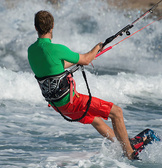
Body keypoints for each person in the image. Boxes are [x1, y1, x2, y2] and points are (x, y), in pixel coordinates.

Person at [27, 10, 136, 160]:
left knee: (96, 119)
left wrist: (84, 58)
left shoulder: (31, 51)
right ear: (52, 26)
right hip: (71, 102)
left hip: (58, 106)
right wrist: (97, 47)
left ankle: (120, 143)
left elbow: (57, 64)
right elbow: (85, 59)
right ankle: (130, 154)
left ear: (35, 27)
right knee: (116, 112)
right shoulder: (56, 48)